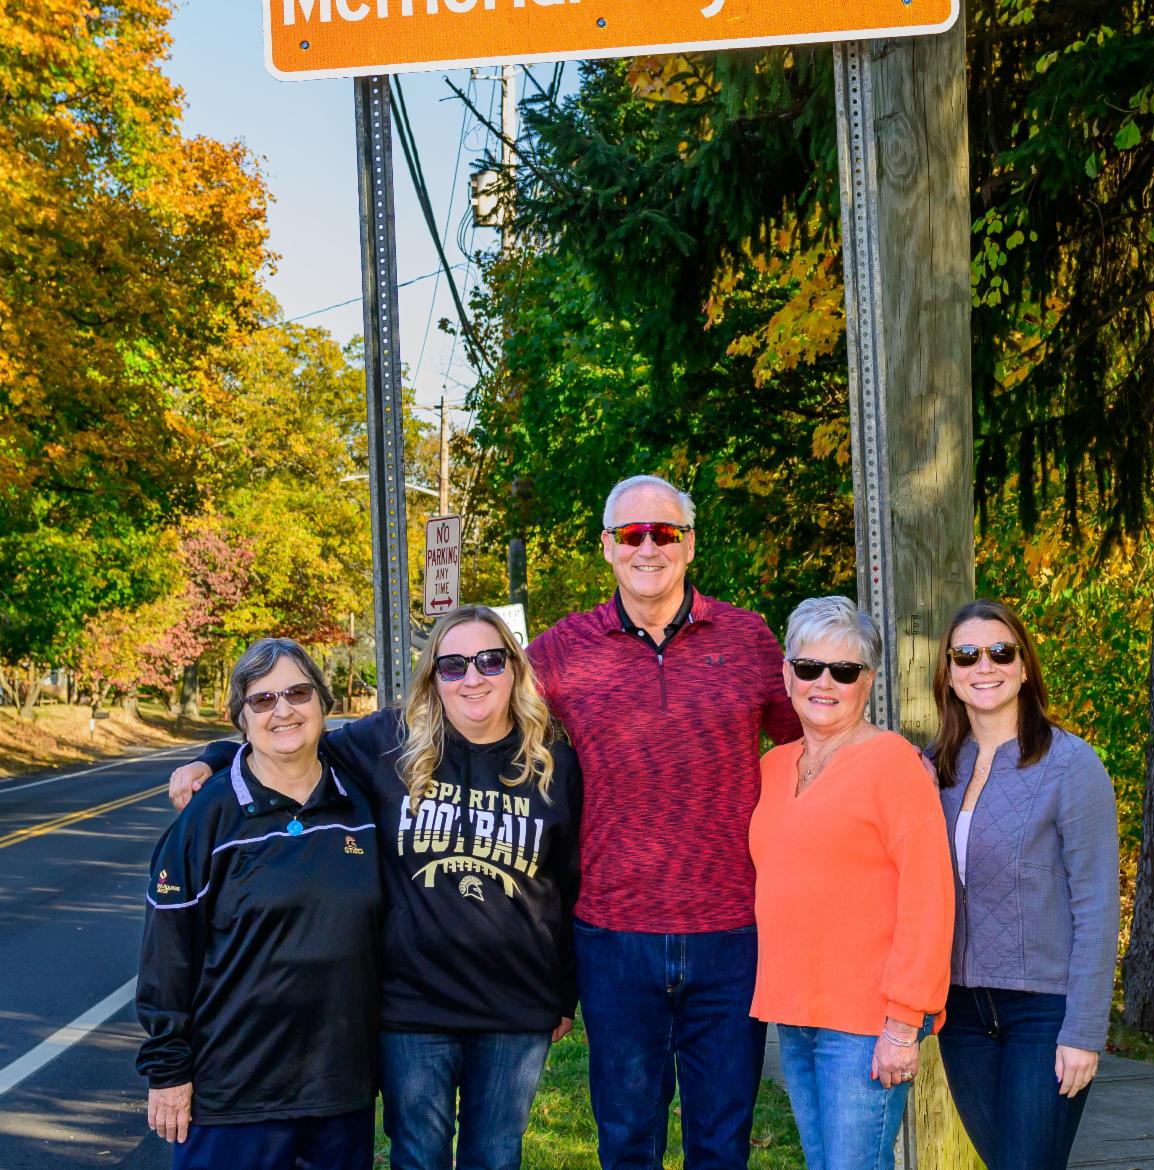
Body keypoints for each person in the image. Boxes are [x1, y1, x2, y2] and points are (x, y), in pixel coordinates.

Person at [168, 605, 581, 1170]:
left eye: (489, 659)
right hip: (412, 1007)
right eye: (453, 664)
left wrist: (563, 992)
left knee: (496, 1157)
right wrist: (213, 757)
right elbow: (292, 737)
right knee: (418, 1157)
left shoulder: (553, 759)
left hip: (515, 1006)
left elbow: (568, 880)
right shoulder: (391, 741)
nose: (473, 676)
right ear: (433, 678)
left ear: (515, 667)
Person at [527, 473, 800, 1170]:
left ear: (690, 544)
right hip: (614, 937)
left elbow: (817, 737)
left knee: (721, 1141)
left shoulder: (747, 640)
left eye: (666, 532)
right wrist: (228, 753)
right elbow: (463, 713)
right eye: (632, 534)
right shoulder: (562, 651)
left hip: (732, 933)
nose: (649, 546)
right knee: (627, 1142)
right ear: (608, 548)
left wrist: (907, 765)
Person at [136, 638, 383, 1169]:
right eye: (262, 700)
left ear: (323, 702)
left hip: (340, 1092)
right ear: (241, 719)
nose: (284, 709)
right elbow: (167, 956)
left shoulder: (363, 800)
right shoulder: (209, 816)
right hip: (232, 1096)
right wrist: (168, 1072)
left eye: (297, 692)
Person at [748, 595, 955, 1170]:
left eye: (844, 671)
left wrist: (901, 1024)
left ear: (868, 681)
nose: (824, 683)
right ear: (787, 674)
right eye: (810, 668)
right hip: (796, 1014)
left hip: (867, 1024)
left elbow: (929, 898)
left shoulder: (894, 764)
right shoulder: (773, 765)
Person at [928, 598, 1119, 1170]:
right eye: (966, 654)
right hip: (960, 1013)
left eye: (1000, 652)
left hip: (1043, 1013)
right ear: (950, 674)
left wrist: (1084, 1031)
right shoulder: (931, 768)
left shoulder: (1071, 765)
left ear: (1025, 665)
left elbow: (1096, 908)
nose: (983, 666)